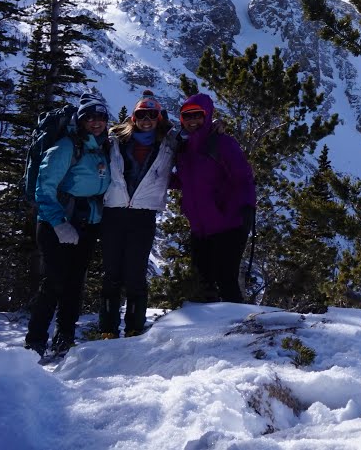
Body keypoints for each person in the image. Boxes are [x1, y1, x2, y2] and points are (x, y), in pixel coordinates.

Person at [26, 92, 111, 356]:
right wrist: (59, 223)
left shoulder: (100, 146)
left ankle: (65, 337)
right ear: (81, 119)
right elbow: (44, 188)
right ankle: (36, 341)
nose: (96, 123)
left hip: (86, 223)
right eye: (90, 118)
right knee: (54, 282)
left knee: (74, 283)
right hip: (57, 224)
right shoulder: (66, 146)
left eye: (101, 118)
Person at [99, 92, 178, 336]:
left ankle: (134, 327)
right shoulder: (114, 140)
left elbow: (196, 137)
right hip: (113, 211)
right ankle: (108, 328)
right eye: (141, 114)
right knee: (111, 273)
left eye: (152, 115)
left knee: (135, 273)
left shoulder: (169, 143)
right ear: (133, 118)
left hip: (143, 215)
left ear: (159, 118)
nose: (146, 119)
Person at [172, 91, 256, 303]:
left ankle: (238, 329)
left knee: (225, 278)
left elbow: (244, 178)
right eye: (187, 116)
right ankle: (209, 332)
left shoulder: (222, 143)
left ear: (207, 115)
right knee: (203, 282)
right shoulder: (184, 148)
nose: (192, 121)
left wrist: (243, 210)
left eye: (197, 115)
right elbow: (186, 181)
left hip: (229, 222)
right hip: (201, 227)